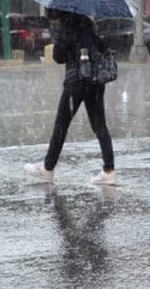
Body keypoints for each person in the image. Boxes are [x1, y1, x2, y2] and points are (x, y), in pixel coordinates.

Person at [24, 10, 116, 185]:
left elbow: (58, 57)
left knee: (61, 124)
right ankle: (109, 170)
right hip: (95, 80)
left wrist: (62, 43)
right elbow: (102, 47)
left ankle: (48, 168)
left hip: (76, 81)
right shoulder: (90, 23)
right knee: (99, 125)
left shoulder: (64, 25)